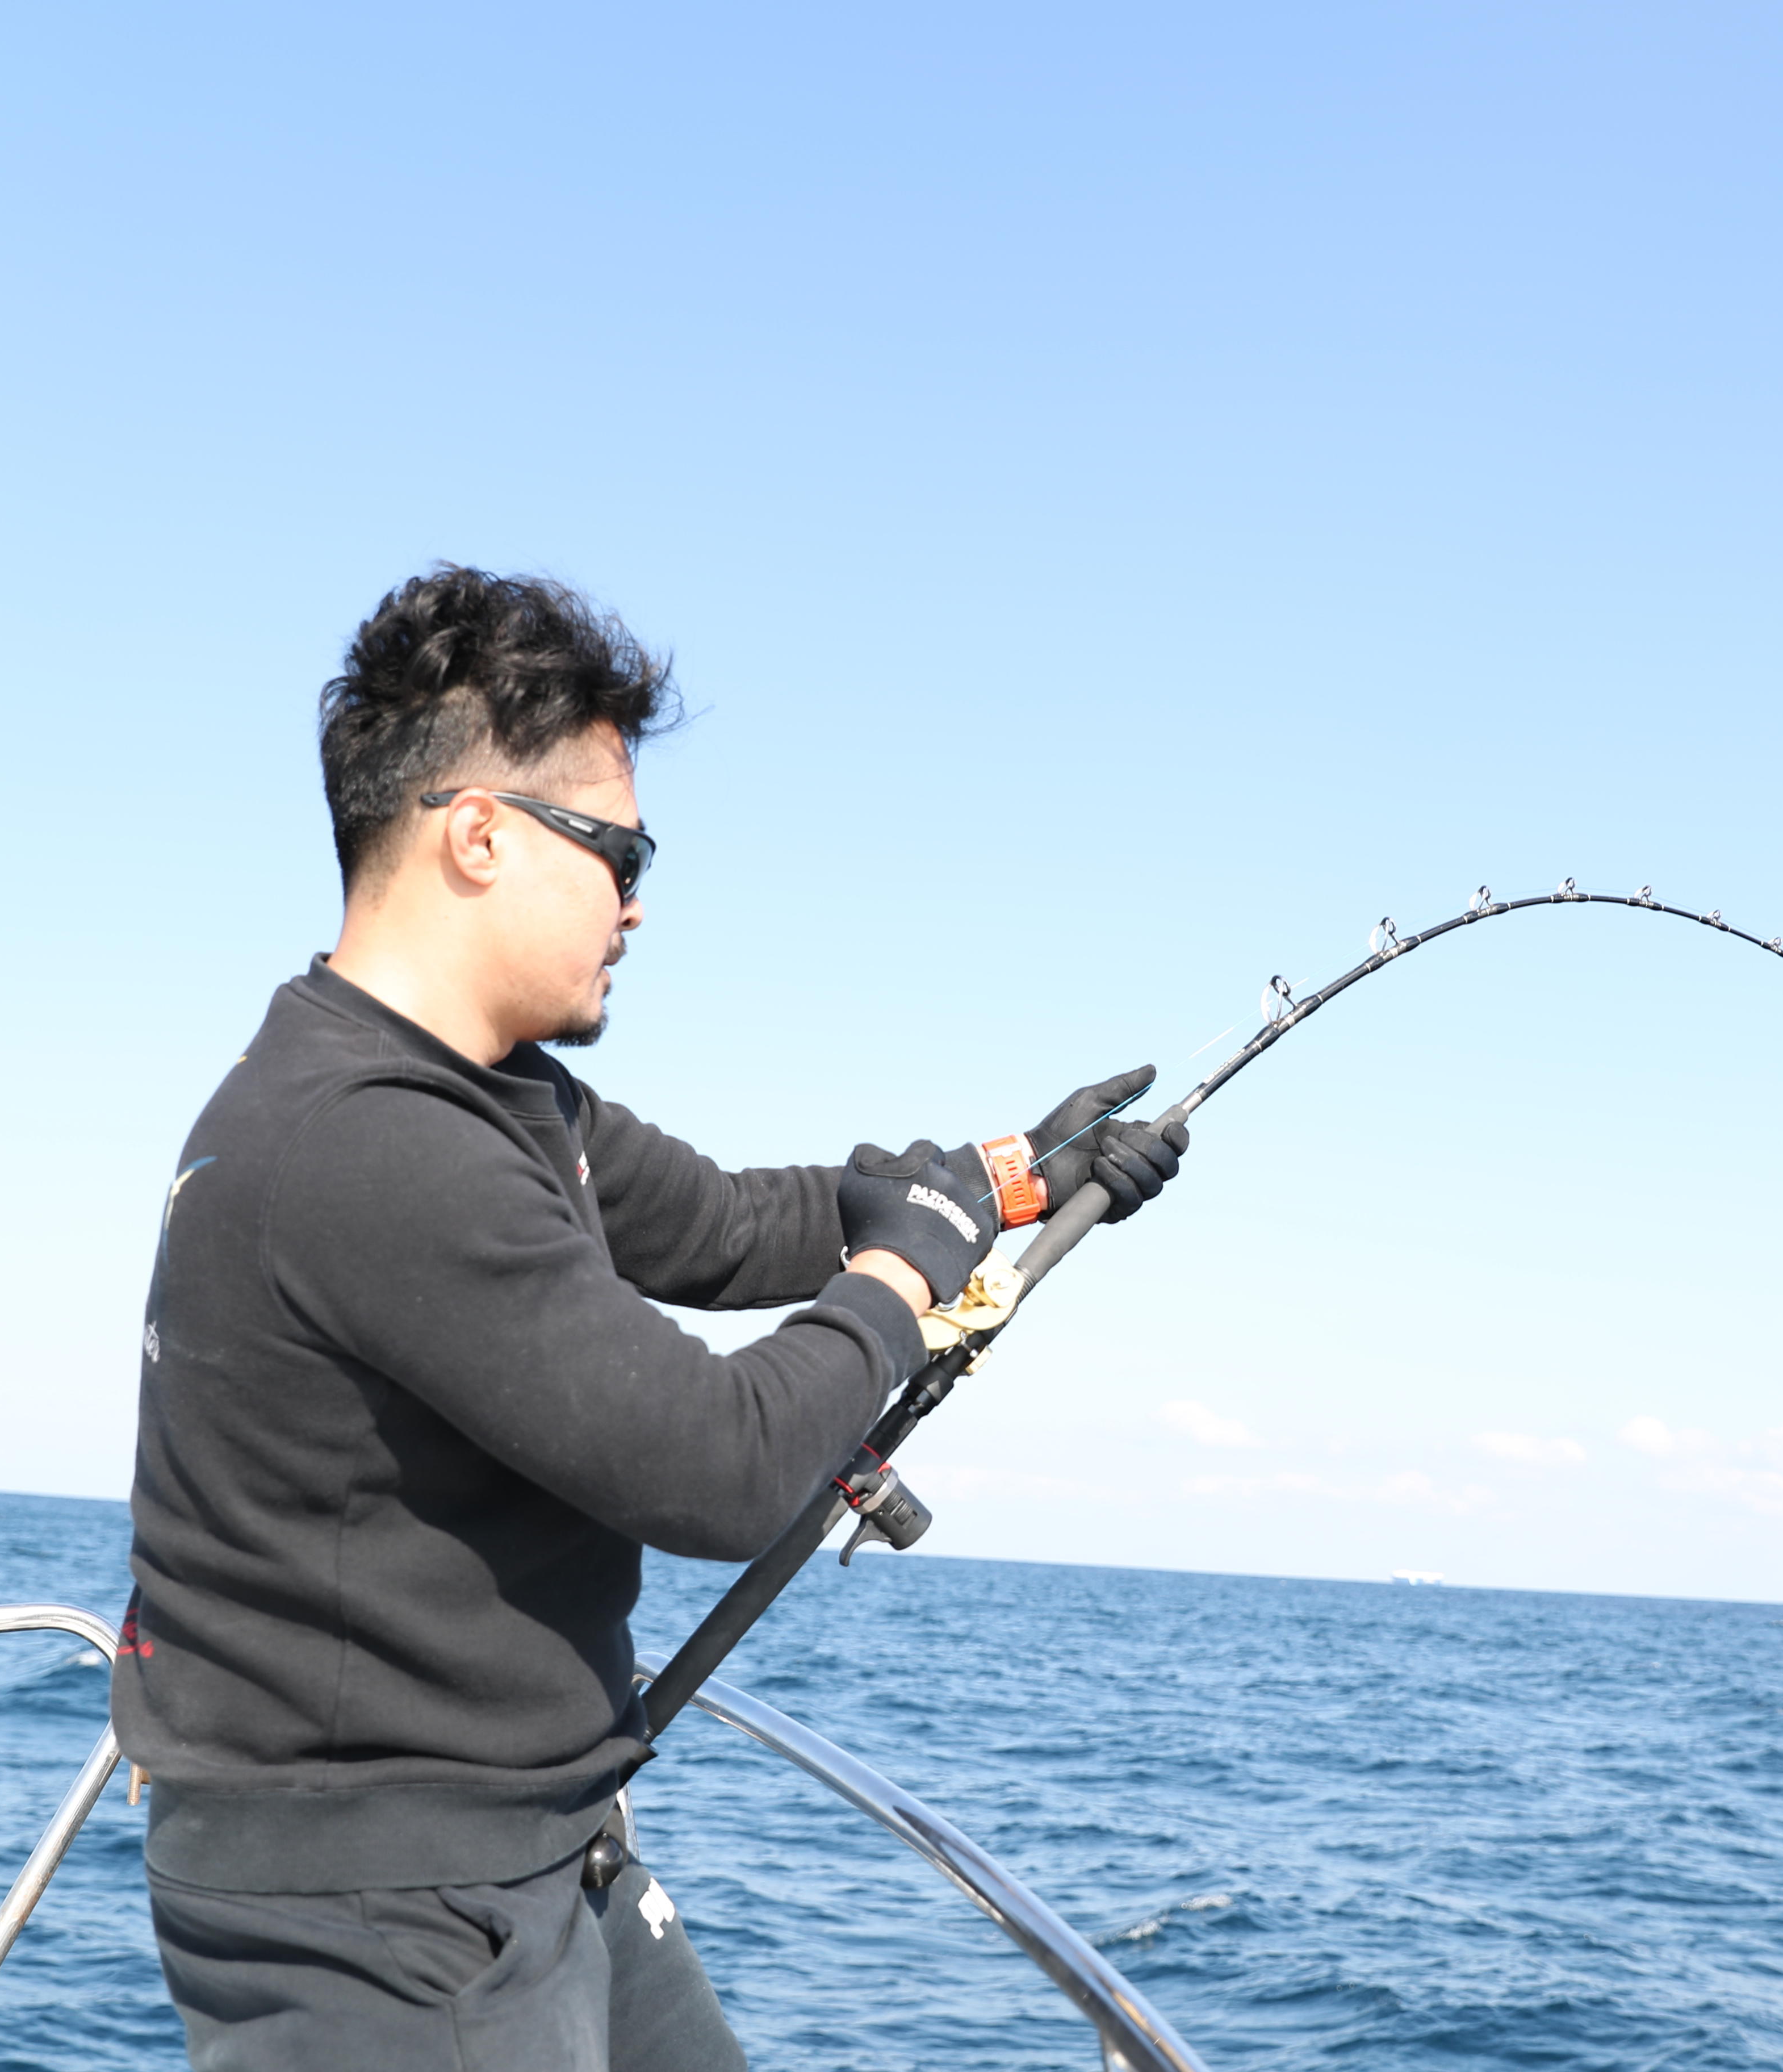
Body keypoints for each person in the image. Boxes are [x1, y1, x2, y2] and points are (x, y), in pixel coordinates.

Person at [111, 565, 1191, 2072]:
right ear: (479, 835)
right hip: (386, 1917)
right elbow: (718, 1469)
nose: (635, 901)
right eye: (618, 851)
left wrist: (1009, 1183)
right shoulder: (372, 1143)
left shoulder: (492, 1099)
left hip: (537, 1853)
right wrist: (904, 1281)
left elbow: (729, 1225)